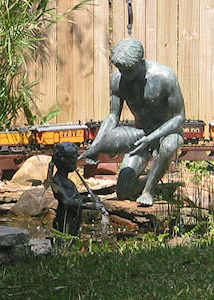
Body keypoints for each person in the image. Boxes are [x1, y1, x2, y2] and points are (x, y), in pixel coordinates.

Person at [79, 38, 186, 206]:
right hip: (141, 134)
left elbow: (179, 117)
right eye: (120, 69)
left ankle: (148, 191)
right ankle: (160, 184)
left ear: (141, 62)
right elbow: (113, 117)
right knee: (124, 191)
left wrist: (153, 138)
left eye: (128, 70)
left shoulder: (165, 77)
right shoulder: (118, 79)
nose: (124, 75)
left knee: (168, 146)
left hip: (168, 132)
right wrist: (95, 147)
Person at [49, 142, 102, 237]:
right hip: (65, 219)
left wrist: (90, 199)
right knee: (65, 239)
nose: (75, 164)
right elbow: (66, 201)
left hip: (74, 217)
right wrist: (88, 206)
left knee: (74, 238)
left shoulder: (68, 181)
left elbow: (76, 197)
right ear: (63, 162)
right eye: (73, 162)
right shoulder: (56, 181)